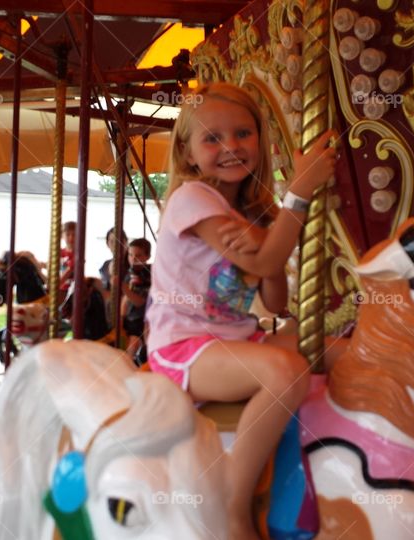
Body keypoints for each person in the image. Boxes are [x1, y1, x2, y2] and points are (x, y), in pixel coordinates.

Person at [145, 82, 336, 540]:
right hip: (183, 348)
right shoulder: (192, 198)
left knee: (341, 351)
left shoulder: (253, 208)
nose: (230, 147)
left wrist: (265, 250)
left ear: (260, 139)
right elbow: (266, 261)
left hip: (236, 338)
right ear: (189, 153)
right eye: (212, 138)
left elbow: (274, 300)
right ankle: (233, 504)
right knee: (286, 371)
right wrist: (301, 193)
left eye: (242, 134)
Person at [121, 237, 152, 356]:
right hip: (129, 320)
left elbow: (140, 302)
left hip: (141, 320)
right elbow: (124, 300)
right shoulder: (129, 274)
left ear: (147, 256)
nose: (133, 259)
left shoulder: (148, 275)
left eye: (138, 255)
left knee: (132, 348)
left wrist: (123, 287)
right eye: (130, 255)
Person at [58, 221, 77, 295]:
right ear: (62, 236)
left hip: (71, 290)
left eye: (74, 235)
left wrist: (54, 286)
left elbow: (68, 272)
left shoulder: (78, 254)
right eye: (68, 234)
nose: (71, 237)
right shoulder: (59, 252)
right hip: (60, 288)